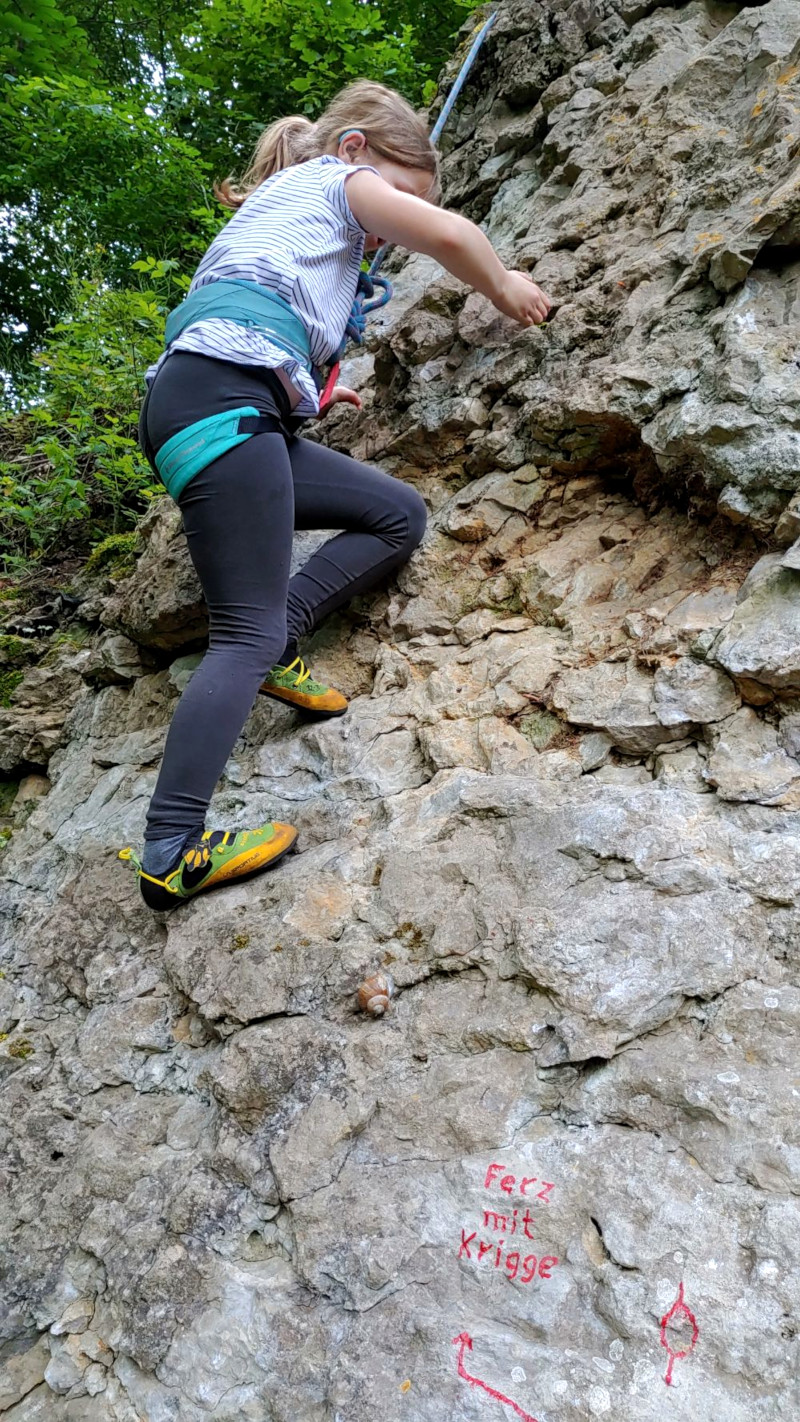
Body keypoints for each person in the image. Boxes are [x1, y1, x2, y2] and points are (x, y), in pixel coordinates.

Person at [121, 79, 551, 911]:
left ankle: (282, 636)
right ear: (355, 149)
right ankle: (170, 851)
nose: (390, 225)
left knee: (396, 515)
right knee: (239, 635)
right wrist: (505, 286)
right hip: (221, 401)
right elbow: (450, 234)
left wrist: (311, 392)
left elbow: (257, 306)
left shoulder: (289, 210)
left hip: (223, 400)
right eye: (401, 192)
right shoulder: (336, 179)